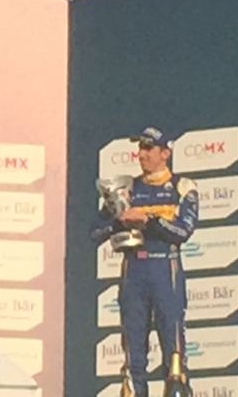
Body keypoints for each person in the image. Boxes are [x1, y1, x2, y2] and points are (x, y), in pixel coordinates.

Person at [91, 127, 198, 397]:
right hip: (134, 271)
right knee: (133, 359)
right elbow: (94, 233)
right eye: (140, 148)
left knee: (174, 359)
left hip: (166, 269)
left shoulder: (182, 187)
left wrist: (148, 221)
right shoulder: (127, 188)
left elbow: (183, 231)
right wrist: (118, 220)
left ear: (165, 153)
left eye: (149, 149)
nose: (142, 155)